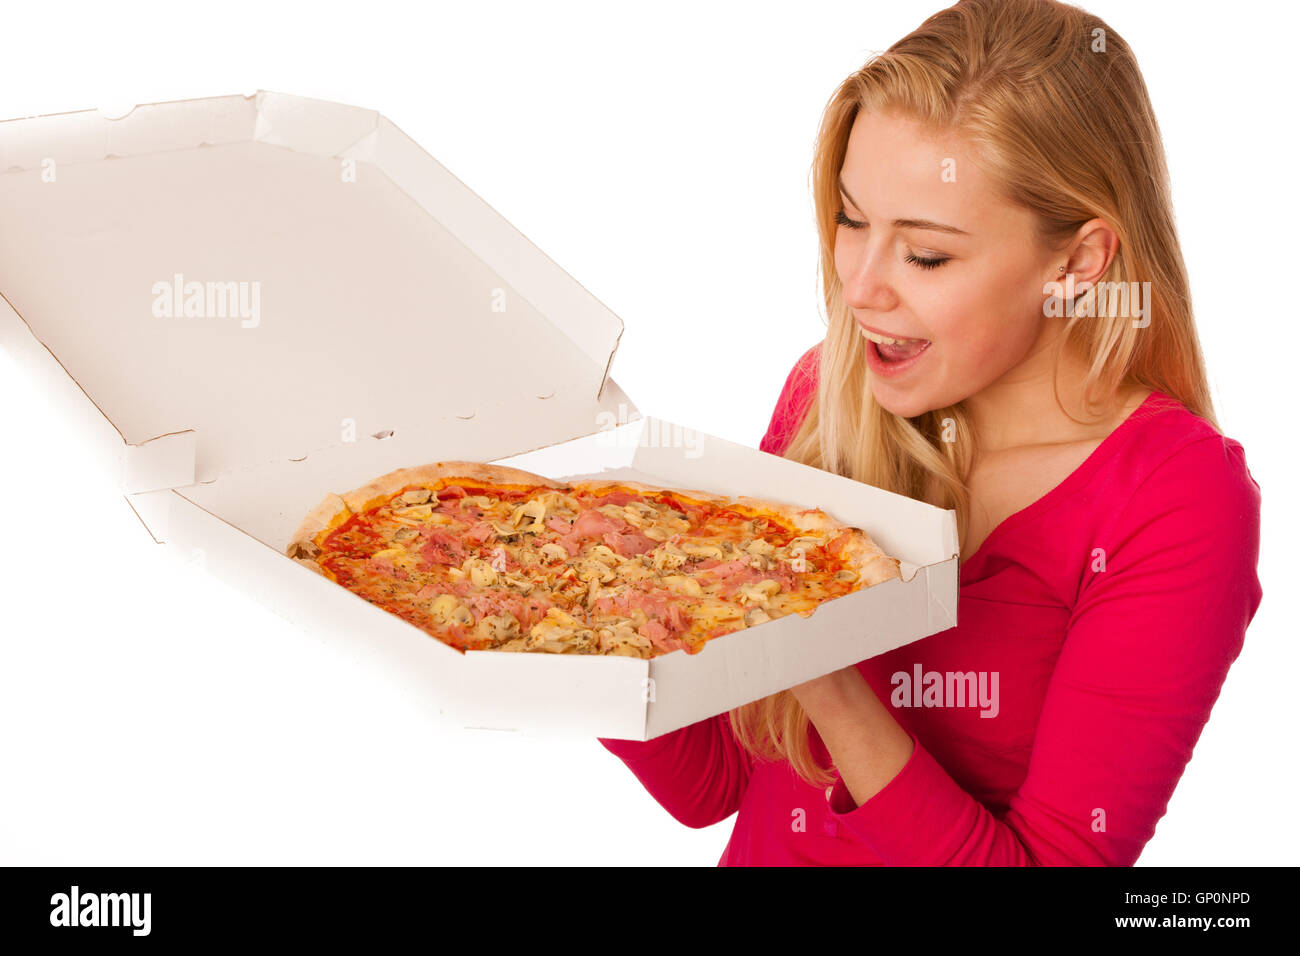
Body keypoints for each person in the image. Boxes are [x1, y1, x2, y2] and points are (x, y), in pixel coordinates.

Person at [596, 0, 1262, 865]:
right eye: (850, 220)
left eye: (927, 256)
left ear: (1078, 263)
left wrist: (828, 676)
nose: (860, 288)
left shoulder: (1176, 500)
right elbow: (714, 782)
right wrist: (594, 595)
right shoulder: (826, 395)